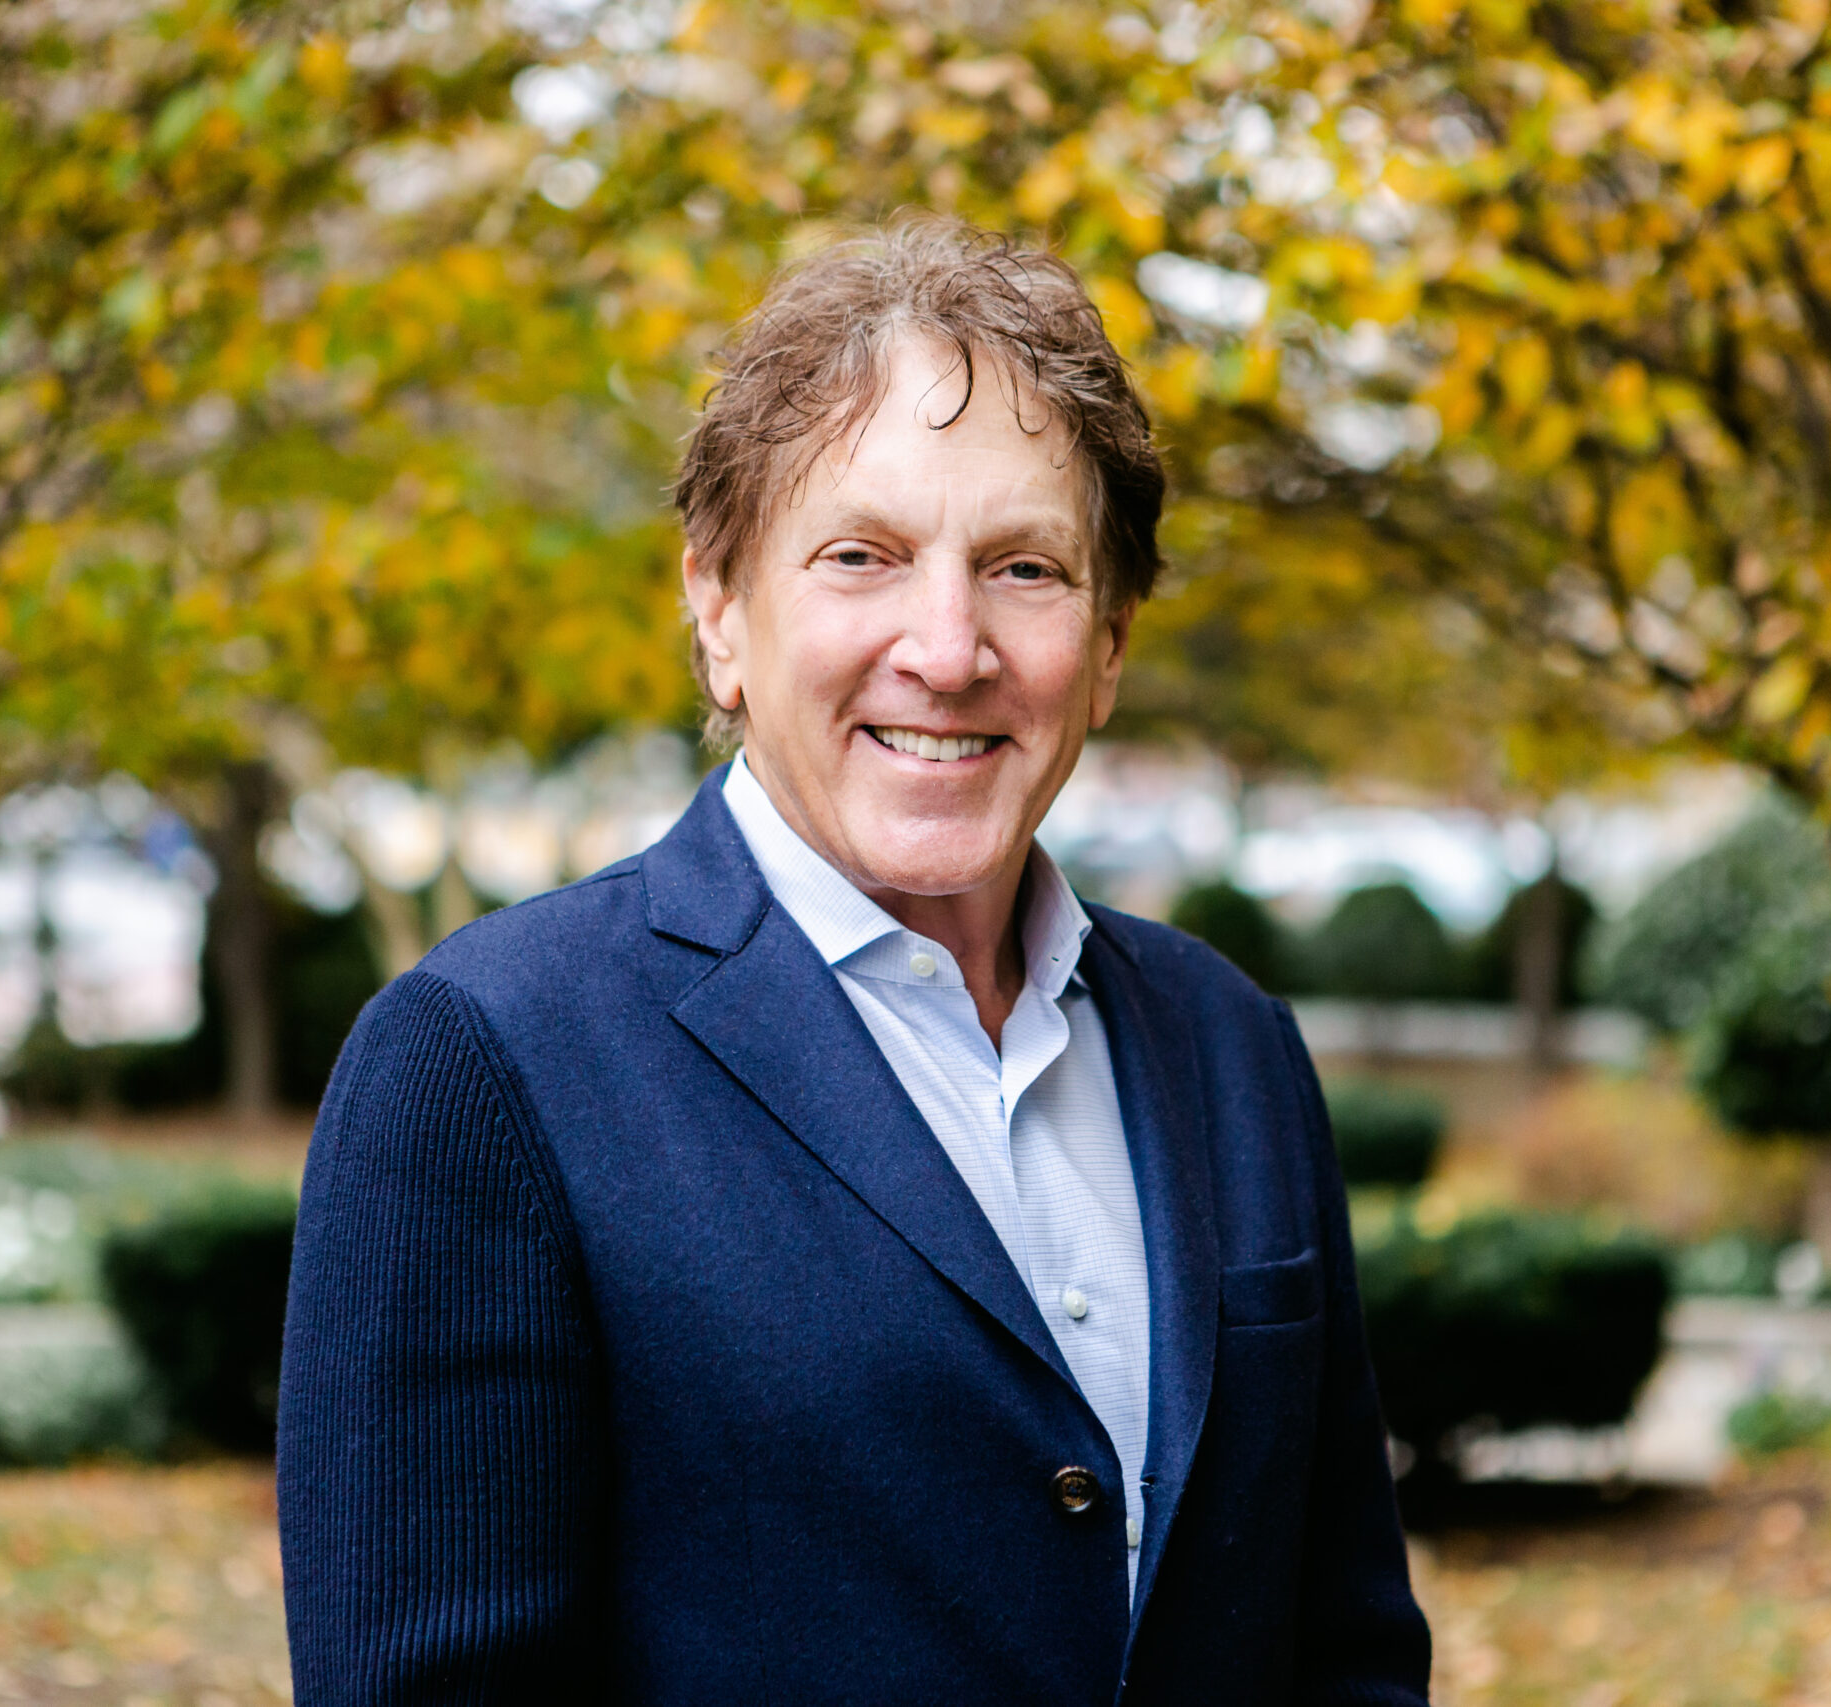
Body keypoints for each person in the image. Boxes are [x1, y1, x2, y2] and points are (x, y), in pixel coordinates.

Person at [276, 217, 1431, 1705]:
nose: (947, 649)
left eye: (1023, 567)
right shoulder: (484, 1062)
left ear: (1115, 638)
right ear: (719, 611)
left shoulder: (1231, 1043)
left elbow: (1346, 1657)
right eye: (859, 557)